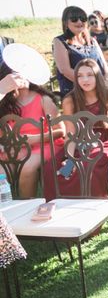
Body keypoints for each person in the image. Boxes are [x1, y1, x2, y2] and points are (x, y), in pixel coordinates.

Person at [50, 59, 108, 200]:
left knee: (88, 164)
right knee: (52, 167)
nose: (85, 79)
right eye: (80, 76)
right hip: (78, 143)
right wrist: (69, 157)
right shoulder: (70, 100)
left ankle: (96, 207)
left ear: (97, 76)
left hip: (104, 142)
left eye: (89, 75)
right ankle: (62, 209)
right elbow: (71, 135)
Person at [0, 62, 64, 198]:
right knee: (2, 173)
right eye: (16, 74)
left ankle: (28, 206)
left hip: (44, 145)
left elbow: (60, 131)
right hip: (15, 147)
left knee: (27, 167)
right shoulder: (4, 103)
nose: (21, 76)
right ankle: (8, 211)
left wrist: (33, 139)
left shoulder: (43, 99)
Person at [53, 6, 108, 97]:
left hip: (99, 91)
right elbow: (65, 70)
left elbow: (103, 65)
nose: (79, 22)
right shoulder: (59, 41)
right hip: (76, 93)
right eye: (74, 19)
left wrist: (106, 83)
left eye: (82, 18)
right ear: (66, 22)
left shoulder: (92, 41)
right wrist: (91, 85)